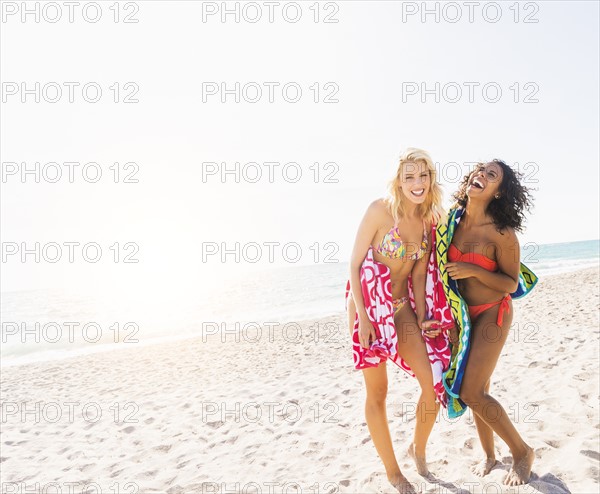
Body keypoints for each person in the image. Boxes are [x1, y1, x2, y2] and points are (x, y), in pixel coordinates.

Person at [346, 148, 445, 492]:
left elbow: (419, 275)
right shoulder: (380, 210)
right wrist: (362, 318)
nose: (417, 183)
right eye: (409, 177)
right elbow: (354, 266)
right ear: (398, 181)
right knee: (378, 392)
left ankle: (418, 448)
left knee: (432, 382)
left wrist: (422, 316)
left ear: (431, 179)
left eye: (423, 175)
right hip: (369, 308)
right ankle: (393, 472)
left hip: (401, 307)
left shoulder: (431, 221)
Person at [444, 160, 535, 486]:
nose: (480, 174)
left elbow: (510, 283)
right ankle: (490, 455)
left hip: (494, 312)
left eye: (491, 174)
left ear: (498, 193)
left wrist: (474, 271)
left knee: (471, 391)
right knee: (478, 389)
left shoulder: (502, 233)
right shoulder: (450, 223)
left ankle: (522, 452)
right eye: (479, 169)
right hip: (464, 316)